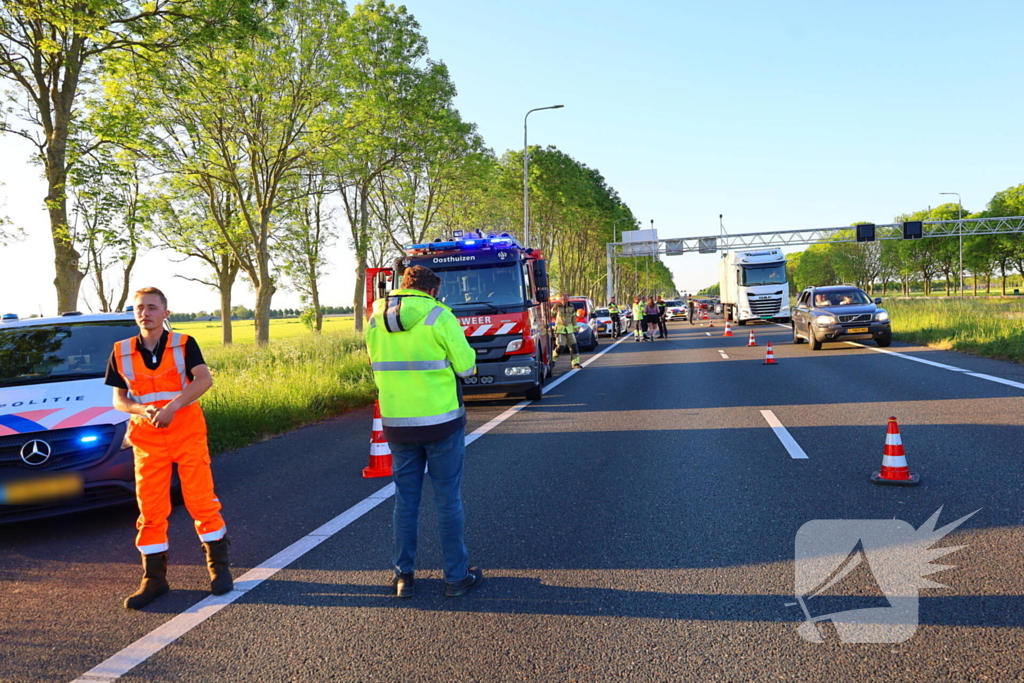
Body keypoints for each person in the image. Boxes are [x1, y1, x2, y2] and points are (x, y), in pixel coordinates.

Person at [106, 287, 231, 610]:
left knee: (201, 500)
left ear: (165, 313)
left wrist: (173, 406)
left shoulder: (184, 343)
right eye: (139, 308)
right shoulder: (120, 350)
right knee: (150, 509)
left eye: (151, 307)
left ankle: (219, 568)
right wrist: (140, 410)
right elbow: (119, 399)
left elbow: (203, 380)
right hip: (148, 439)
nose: (144, 313)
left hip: (186, 431)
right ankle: (154, 579)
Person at [366, 265, 483, 598]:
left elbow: (376, 365)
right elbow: (465, 366)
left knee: (405, 501)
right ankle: (456, 578)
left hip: (398, 424)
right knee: (447, 500)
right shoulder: (438, 316)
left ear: (403, 287)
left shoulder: (376, 320)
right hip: (441, 423)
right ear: (432, 291)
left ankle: (404, 576)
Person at [551, 294, 583, 369]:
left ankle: (576, 363)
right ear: (561, 299)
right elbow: (551, 315)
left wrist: (576, 330)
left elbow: (573, 319)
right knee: (560, 347)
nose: (564, 300)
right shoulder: (557, 306)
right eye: (563, 299)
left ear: (568, 299)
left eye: (566, 299)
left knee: (574, 346)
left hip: (569, 330)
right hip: (560, 330)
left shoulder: (571, 307)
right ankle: (552, 360)